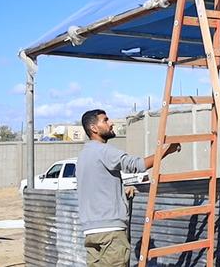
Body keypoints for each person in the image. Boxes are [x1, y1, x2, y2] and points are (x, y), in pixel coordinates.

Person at [77, 109, 180, 267]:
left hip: (91, 232)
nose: (111, 123)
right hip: (110, 233)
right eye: (105, 120)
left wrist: (122, 192)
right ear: (94, 128)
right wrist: (167, 151)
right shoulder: (103, 151)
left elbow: (98, 186)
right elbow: (137, 165)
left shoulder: (84, 155)